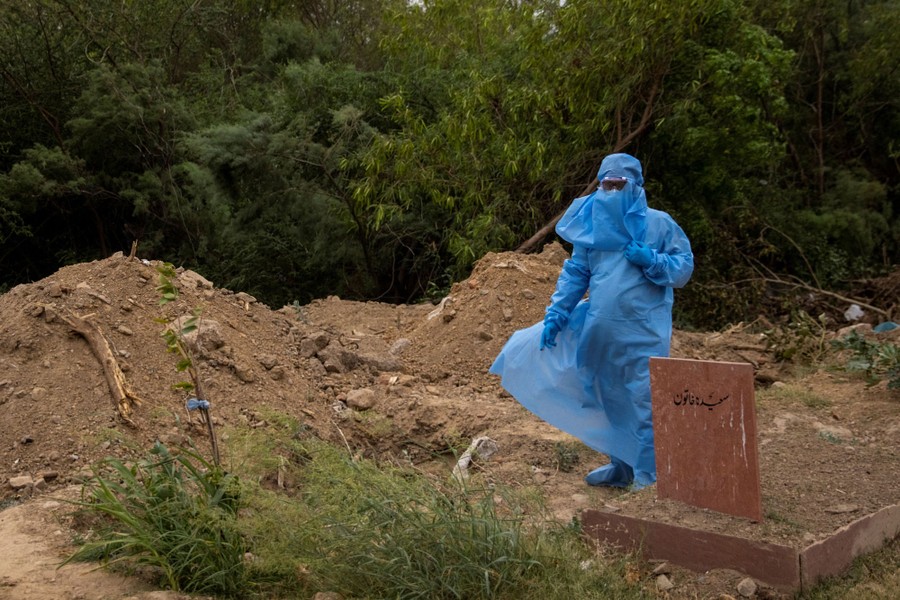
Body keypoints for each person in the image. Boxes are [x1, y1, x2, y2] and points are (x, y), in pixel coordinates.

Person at [489, 153, 693, 489]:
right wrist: (557, 314)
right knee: (609, 399)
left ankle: (649, 475)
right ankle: (622, 467)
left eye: (619, 185)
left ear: (636, 186)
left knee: (644, 401)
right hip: (601, 329)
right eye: (606, 184)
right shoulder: (593, 225)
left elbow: (682, 268)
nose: (611, 191)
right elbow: (577, 273)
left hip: (643, 331)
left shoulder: (659, 224)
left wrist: (651, 260)